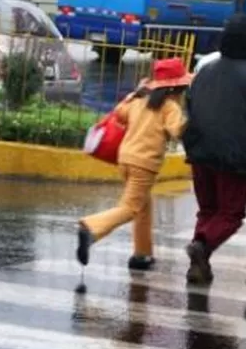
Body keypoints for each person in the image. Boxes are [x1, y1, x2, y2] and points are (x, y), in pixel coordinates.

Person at [182, 15, 246, 284]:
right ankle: (202, 245)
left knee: (208, 210)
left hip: (200, 151)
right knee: (231, 215)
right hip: (235, 158)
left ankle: (198, 266)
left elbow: (190, 106)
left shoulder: (205, 71)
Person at [77, 58, 191, 271]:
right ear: (176, 88)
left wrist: (136, 93)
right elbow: (177, 131)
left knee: (143, 206)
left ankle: (142, 254)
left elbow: (120, 112)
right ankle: (91, 227)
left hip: (125, 159)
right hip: (144, 163)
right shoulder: (170, 107)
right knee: (130, 207)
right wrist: (191, 120)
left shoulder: (139, 101)